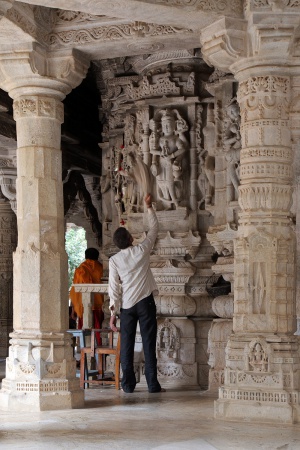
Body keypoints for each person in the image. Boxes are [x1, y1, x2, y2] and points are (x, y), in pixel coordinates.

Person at [109, 193, 165, 393]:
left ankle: (128, 385)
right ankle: (152, 384)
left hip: (127, 306)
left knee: (126, 344)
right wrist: (148, 207)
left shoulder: (114, 260)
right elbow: (154, 229)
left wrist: (113, 313)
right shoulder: (142, 251)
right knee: (149, 342)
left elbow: (114, 288)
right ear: (131, 239)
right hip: (144, 302)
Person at [69, 248, 104, 343]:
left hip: (84, 306)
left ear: (85, 256)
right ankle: (101, 353)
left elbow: (75, 290)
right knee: (99, 331)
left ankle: (86, 353)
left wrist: (74, 309)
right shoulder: (101, 268)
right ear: (97, 257)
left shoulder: (81, 269)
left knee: (85, 332)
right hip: (100, 305)